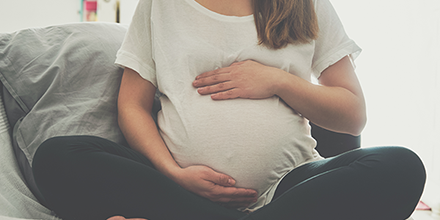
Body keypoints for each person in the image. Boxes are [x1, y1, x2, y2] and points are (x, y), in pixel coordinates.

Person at [32, 0, 426, 219]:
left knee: (402, 167)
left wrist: (277, 80)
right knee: (57, 157)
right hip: (175, 187)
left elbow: (353, 113)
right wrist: (173, 173)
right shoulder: (161, 4)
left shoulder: (305, 3)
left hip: (288, 187)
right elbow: (131, 106)